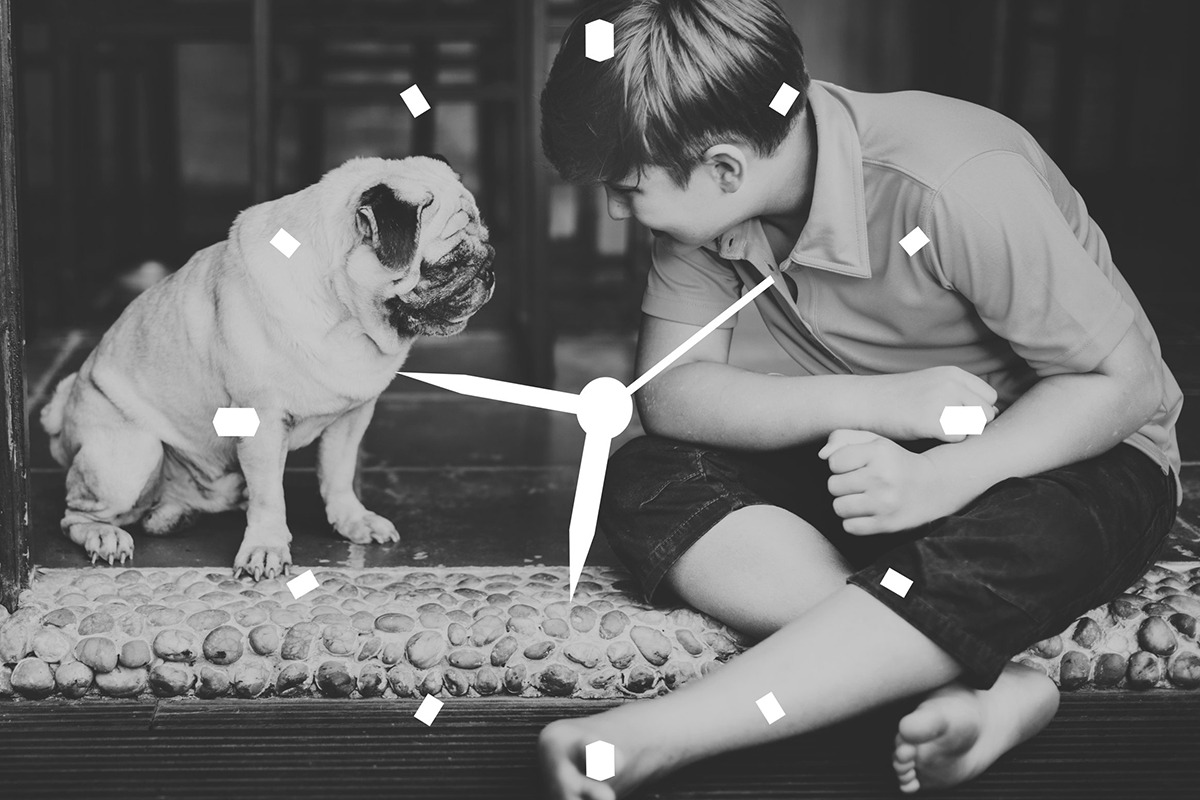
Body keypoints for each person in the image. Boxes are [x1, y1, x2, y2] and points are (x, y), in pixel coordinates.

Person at [534, 1, 1183, 798]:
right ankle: (979, 679)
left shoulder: (956, 181)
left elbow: (1122, 386)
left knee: (1040, 530)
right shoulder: (704, 219)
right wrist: (884, 404)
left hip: (1054, 452)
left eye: (628, 189)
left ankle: (652, 739)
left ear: (726, 167)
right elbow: (670, 394)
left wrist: (948, 476)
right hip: (867, 463)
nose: (616, 209)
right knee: (644, 477)